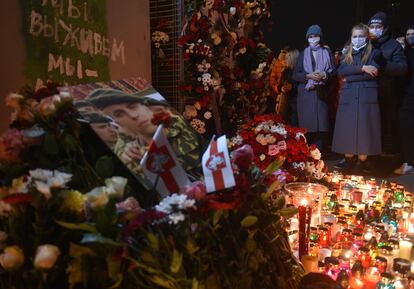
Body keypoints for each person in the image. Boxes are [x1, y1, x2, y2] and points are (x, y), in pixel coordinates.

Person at [87, 88, 201, 175]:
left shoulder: (175, 124)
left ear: (145, 107)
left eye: (132, 106)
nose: (133, 116)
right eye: (119, 114)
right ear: (117, 124)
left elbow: (195, 161)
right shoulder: (128, 152)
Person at [332, 24, 381, 172]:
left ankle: (363, 160)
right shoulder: (346, 53)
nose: (357, 39)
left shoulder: (375, 52)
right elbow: (341, 71)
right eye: (355, 36)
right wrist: (362, 68)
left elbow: (371, 73)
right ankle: (348, 159)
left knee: (365, 128)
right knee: (348, 127)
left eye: (361, 36)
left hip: (367, 95)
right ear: (351, 38)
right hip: (349, 95)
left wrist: (351, 77)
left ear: (367, 37)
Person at [368, 12, 408, 154]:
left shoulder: (394, 45)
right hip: (365, 92)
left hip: (386, 93)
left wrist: (385, 64)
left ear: (385, 27)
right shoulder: (364, 42)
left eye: (378, 26)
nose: (374, 29)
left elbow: (402, 68)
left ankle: (386, 155)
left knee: (385, 125)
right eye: (372, 26)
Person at [293, 25, 336, 152]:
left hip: (321, 94)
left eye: (315, 36)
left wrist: (325, 75)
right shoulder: (302, 54)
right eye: (310, 37)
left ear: (320, 37)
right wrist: (308, 76)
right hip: (306, 94)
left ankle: (320, 155)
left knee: (321, 127)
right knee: (307, 127)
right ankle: (307, 155)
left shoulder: (327, 52)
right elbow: (295, 75)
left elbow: (334, 71)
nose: (313, 39)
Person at [394, 25, 414, 175]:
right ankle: (408, 162)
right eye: (408, 34)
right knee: (406, 130)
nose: (410, 36)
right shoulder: (405, 53)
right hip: (407, 96)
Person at [277, 48, 299, 125]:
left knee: (294, 125)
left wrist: (293, 87)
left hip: (296, 104)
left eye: (287, 58)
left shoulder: (300, 71)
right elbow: (279, 85)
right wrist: (282, 88)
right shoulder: (285, 71)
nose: (285, 60)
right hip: (285, 103)